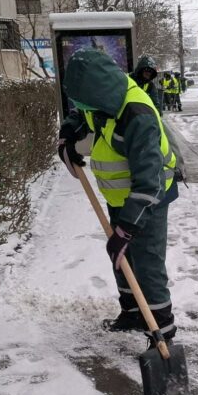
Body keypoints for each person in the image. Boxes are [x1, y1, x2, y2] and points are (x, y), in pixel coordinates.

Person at [57, 48, 180, 344]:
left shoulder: (138, 116)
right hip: (119, 195)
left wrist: (127, 227)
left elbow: (149, 184)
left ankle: (162, 332)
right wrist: (67, 135)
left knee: (146, 262)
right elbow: (80, 115)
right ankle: (133, 313)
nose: (85, 107)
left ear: (98, 92)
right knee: (120, 256)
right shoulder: (102, 99)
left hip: (150, 197)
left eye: (87, 101)